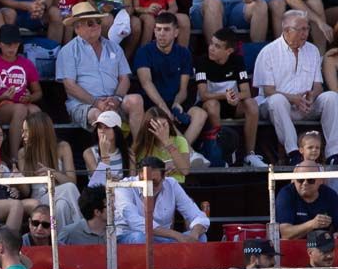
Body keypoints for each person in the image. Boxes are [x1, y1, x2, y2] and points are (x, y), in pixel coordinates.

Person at [253, 10, 338, 165]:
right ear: (287, 30)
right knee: (277, 100)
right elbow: (268, 91)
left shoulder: (312, 50)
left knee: (331, 97)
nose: (305, 33)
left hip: (305, 106)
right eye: (301, 30)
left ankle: (334, 154)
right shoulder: (269, 52)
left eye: (307, 29)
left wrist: (311, 97)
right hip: (278, 107)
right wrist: (294, 99)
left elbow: (318, 85)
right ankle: (293, 153)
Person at [56, 1, 144, 138]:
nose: (97, 26)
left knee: (136, 100)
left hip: (113, 100)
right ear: (77, 28)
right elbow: (70, 86)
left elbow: (124, 78)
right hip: (84, 105)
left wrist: (117, 98)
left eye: (98, 21)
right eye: (90, 23)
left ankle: (138, 150)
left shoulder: (114, 47)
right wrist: (96, 102)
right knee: (102, 116)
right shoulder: (68, 51)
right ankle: (108, 155)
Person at [195, 27, 265, 168]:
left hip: (231, 104)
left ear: (229, 51)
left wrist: (235, 97)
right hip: (210, 104)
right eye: (211, 44)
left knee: (251, 104)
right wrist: (225, 96)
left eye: (217, 46)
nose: (211, 48)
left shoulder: (237, 61)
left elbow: (246, 92)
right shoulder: (202, 61)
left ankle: (250, 154)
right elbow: (203, 95)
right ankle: (219, 150)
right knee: (213, 104)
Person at [134, 12, 208, 146]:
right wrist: (164, 108)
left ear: (176, 32)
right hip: (153, 105)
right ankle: (188, 155)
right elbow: (146, 83)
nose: (161, 33)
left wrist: (176, 103)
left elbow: (183, 89)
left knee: (200, 114)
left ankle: (183, 153)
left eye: (166, 29)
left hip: (174, 102)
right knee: (165, 118)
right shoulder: (144, 52)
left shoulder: (184, 53)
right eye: (158, 29)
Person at [0, 23, 39, 160]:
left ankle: (34, 155)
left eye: (15, 44)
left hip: (21, 104)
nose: (12, 48)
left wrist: (30, 97)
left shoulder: (27, 64)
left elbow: (38, 92)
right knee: (20, 110)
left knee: (35, 112)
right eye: (8, 44)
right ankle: (14, 157)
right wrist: (2, 97)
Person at [114, 156, 210, 244]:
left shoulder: (171, 184)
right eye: (144, 182)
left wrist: (194, 234)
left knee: (201, 237)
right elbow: (135, 221)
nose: (148, 187)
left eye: (154, 182)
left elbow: (197, 215)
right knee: (141, 238)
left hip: (162, 239)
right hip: (131, 236)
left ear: (164, 177)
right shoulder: (124, 186)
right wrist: (176, 235)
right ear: (138, 176)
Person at [16, 111, 80, 230]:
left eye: (26, 131)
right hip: (40, 199)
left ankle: (61, 242)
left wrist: (52, 173)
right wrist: (18, 178)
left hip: (61, 196)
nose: (22, 135)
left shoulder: (63, 147)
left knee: (62, 206)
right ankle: (81, 228)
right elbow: (26, 192)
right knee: (69, 189)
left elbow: (72, 181)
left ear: (38, 132)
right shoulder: (23, 153)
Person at [275, 160, 338, 239]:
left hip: (323, 247)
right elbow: (285, 233)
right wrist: (312, 224)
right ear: (294, 180)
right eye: (300, 179)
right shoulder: (286, 194)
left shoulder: (330, 195)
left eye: (310, 180)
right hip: (293, 246)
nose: (305, 183)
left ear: (320, 180)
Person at [130, 106, 193, 183]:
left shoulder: (180, 141)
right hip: (152, 187)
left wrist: (167, 142)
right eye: (157, 126)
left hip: (175, 186)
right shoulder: (143, 145)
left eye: (164, 125)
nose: (162, 130)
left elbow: (185, 170)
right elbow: (136, 176)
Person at [82, 110, 129, 184]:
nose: (102, 131)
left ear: (116, 131)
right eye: (100, 127)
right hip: (100, 194)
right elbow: (99, 181)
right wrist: (104, 155)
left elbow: (133, 182)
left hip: (122, 193)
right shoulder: (89, 153)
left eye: (107, 127)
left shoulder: (128, 153)